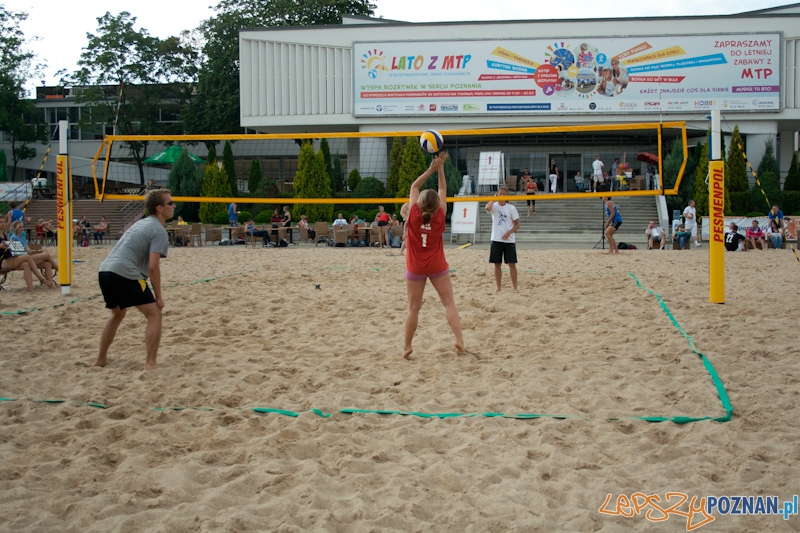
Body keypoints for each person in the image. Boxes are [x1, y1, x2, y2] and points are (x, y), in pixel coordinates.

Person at [94, 189, 174, 371]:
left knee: (118, 314)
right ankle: (150, 363)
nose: (174, 206)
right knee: (154, 314)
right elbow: (153, 267)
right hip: (124, 273)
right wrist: (158, 297)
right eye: (170, 203)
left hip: (105, 271)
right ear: (160, 208)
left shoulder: (141, 224)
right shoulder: (158, 231)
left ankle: (100, 360)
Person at [403, 152, 465, 359]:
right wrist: (440, 169)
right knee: (449, 303)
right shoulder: (440, 216)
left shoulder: (412, 215)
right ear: (436, 205)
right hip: (437, 266)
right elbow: (443, 189)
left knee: (413, 309)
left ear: (419, 204)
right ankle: (459, 340)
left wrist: (430, 168)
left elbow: (414, 186)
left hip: (415, 267)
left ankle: (407, 347)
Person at [1, 219, 56, 291]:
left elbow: (13, 247)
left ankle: (32, 288)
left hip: (14, 258)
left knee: (39, 264)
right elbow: (15, 249)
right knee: (45, 255)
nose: (3, 224)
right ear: (14, 228)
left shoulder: (6, 235)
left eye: (4, 222)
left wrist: (26, 249)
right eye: (0, 222)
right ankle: (43, 278)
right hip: (5, 260)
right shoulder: (13, 237)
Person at [487, 186, 520, 291]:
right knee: (497, 264)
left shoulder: (511, 208)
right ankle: (498, 287)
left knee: (512, 264)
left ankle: (515, 287)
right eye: (500, 193)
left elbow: (517, 225)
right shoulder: (495, 206)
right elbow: (487, 207)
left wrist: (508, 233)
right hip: (496, 239)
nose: (502, 195)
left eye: (504, 193)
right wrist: (493, 198)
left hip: (509, 240)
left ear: (507, 196)